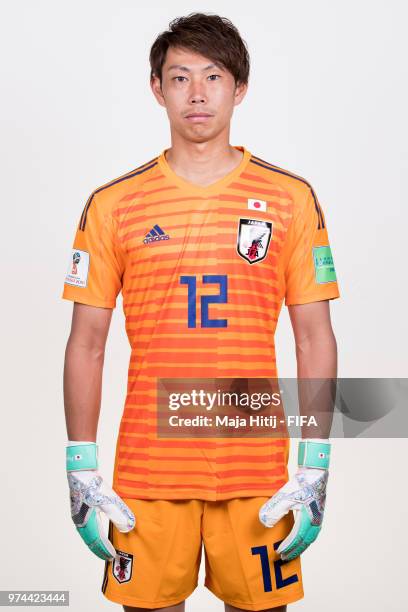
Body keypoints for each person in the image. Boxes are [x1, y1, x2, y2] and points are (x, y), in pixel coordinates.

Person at [62, 12, 339, 612]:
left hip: (255, 466)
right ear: (157, 89)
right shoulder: (113, 205)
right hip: (149, 470)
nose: (196, 93)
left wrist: (316, 460)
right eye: (179, 76)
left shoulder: (291, 198)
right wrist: (78, 462)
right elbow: (86, 343)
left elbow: (314, 337)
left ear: (239, 88)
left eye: (213, 76)